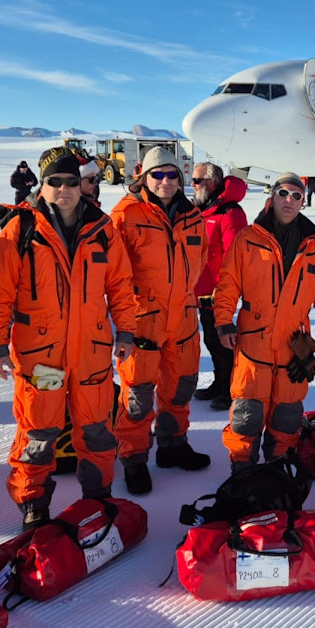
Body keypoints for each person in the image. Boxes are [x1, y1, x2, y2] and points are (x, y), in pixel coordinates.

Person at [0, 146, 137, 530]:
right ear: (43, 185)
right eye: (55, 182)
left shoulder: (102, 230)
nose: (64, 189)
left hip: (91, 352)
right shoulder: (21, 230)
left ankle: (97, 495)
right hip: (41, 356)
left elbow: (120, 286)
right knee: (38, 431)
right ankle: (33, 501)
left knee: (97, 428)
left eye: (71, 182)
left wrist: (127, 330)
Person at [215, 173, 315, 469]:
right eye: (284, 193)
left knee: (287, 412)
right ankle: (242, 468)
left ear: (303, 202)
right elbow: (228, 283)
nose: (289, 200)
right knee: (247, 411)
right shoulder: (248, 238)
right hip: (253, 339)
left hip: (296, 341)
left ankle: (278, 466)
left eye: (297, 196)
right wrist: (223, 321)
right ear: (272, 197)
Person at [110, 147, 211, 494]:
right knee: (137, 395)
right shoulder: (125, 216)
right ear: (144, 177)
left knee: (181, 387)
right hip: (143, 320)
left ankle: (173, 444)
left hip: (182, 317)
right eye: (157, 175)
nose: (165, 181)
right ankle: (134, 457)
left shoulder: (192, 216)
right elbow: (113, 273)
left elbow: (202, 261)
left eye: (172, 175)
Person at [191, 162, 247, 411]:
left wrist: (223, 290)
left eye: (197, 181)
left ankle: (229, 388)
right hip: (201, 291)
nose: (193, 185)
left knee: (223, 341)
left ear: (212, 183)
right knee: (212, 341)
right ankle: (219, 382)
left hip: (218, 293)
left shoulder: (230, 213)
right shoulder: (205, 210)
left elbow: (234, 255)